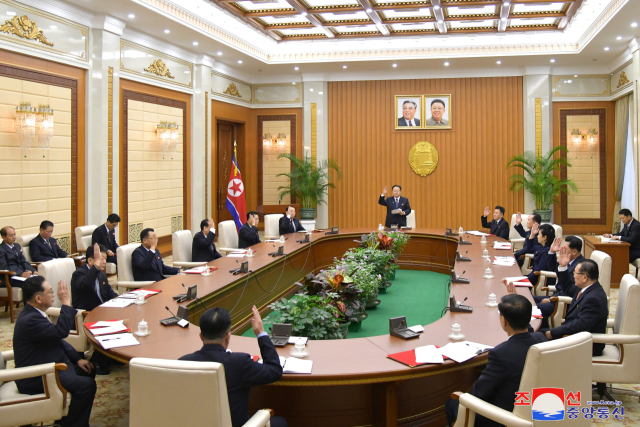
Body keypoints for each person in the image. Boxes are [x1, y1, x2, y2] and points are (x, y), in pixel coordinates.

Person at [445, 294, 546, 427]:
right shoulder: (541, 339)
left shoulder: (500, 354)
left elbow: (478, 395)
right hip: (536, 406)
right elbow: (530, 335)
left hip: (505, 416)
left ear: (504, 321)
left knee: (452, 403)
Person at [180, 306, 287, 427]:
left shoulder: (182, 363)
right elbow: (275, 371)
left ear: (200, 336)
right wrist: (261, 333)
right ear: (228, 337)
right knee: (280, 422)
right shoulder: (240, 363)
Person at [13, 276, 96, 427]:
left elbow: (56, 339)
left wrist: (77, 359)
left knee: (88, 369)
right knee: (87, 385)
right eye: (50, 292)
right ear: (38, 298)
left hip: (52, 363)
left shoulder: (35, 313)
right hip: (37, 375)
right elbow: (61, 332)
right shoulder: (30, 319)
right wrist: (65, 303)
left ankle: (67, 420)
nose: (53, 295)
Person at [542, 254, 608, 356]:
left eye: (575, 273)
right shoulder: (586, 287)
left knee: (534, 341)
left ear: (585, 277)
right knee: (537, 333)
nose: (573, 275)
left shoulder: (594, 298)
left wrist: (554, 332)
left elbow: (581, 324)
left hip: (585, 344)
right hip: (573, 335)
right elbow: (568, 287)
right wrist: (563, 266)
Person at [71, 243, 117, 375]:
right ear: (90, 260)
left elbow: (109, 294)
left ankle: (113, 355)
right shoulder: (78, 274)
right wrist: (96, 268)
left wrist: (125, 301)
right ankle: (96, 362)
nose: (104, 262)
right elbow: (85, 284)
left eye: (105, 259)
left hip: (102, 311)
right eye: (101, 259)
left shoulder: (101, 275)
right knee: (112, 326)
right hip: (86, 314)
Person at [534, 236, 584, 325]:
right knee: (530, 299)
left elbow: (570, 290)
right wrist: (552, 252)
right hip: (557, 296)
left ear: (574, 251)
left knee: (533, 308)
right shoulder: (570, 261)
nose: (562, 249)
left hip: (563, 302)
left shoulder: (580, 267)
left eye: (565, 248)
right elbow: (553, 268)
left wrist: (550, 300)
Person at [526, 224, 556, 290]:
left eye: (539, 234)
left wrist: (525, 280)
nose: (537, 236)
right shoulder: (542, 247)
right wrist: (532, 235)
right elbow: (529, 248)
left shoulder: (547, 251)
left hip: (540, 281)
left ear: (545, 237)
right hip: (533, 277)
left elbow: (539, 269)